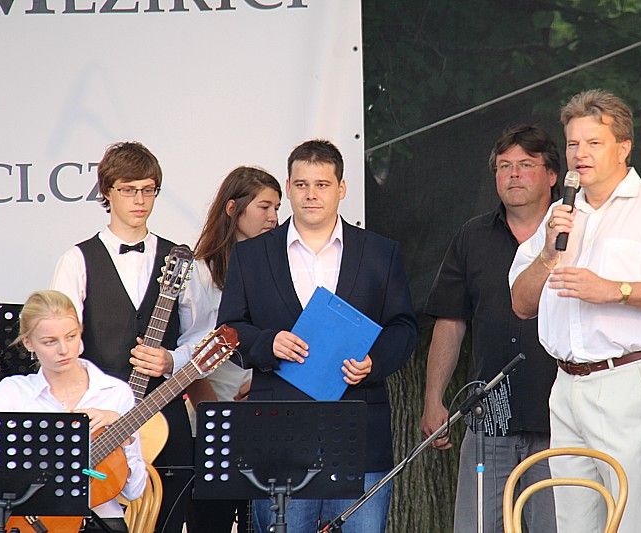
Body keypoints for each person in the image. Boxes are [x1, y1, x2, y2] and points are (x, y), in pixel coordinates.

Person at [509, 89, 641, 533]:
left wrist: (615, 290)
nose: (579, 154)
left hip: (629, 378)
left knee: (636, 516)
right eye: (572, 144)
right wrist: (547, 254)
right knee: (574, 519)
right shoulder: (560, 213)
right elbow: (521, 304)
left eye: (593, 143)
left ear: (623, 148)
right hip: (566, 383)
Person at [217, 139, 418, 533]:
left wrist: (374, 362)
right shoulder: (250, 255)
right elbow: (230, 330)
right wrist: (267, 343)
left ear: (341, 189)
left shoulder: (380, 253)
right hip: (279, 435)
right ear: (288, 188)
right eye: (301, 184)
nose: (311, 194)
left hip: (360, 432)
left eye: (322, 184)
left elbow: (404, 328)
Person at [50, 141, 212, 533]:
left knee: (169, 520)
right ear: (107, 192)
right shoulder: (77, 260)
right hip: (99, 424)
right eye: (128, 189)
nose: (139, 200)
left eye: (148, 189)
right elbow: (58, 345)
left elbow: (204, 335)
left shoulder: (181, 259)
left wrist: (171, 360)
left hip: (165, 416)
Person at [421, 124, 560, 533]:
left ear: (552, 175)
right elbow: (450, 321)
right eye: (504, 166)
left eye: (526, 164)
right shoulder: (473, 236)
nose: (514, 174)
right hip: (489, 417)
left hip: (561, 417)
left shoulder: (580, 234)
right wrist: (433, 399)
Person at [0, 290, 147, 533]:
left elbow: (134, 491)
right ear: (28, 343)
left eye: (71, 336)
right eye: (50, 342)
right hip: (25, 521)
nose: (64, 349)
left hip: (100, 521)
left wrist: (125, 435)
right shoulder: (11, 393)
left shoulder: (115, 392)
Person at [184, 165, 282, 532]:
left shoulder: (279, 270)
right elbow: (187, 355)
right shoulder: (199, 273)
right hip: (212, 424)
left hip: (267, 420)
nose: (274, 218)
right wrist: (217, 416)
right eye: (264, 207)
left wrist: (262, 385)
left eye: (277, 208)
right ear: (232, 209)